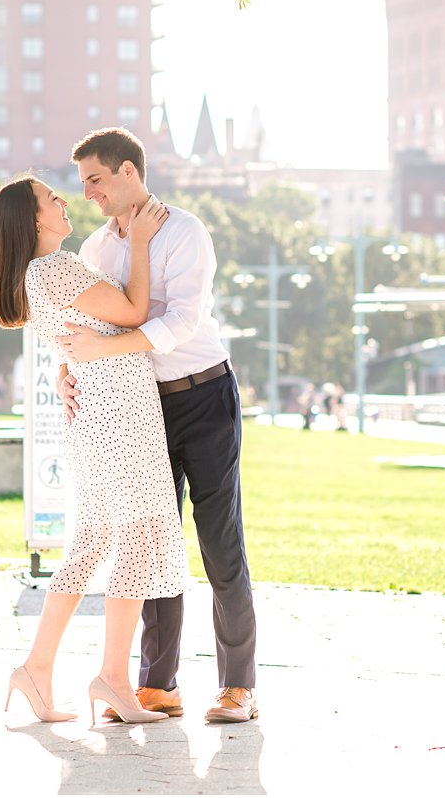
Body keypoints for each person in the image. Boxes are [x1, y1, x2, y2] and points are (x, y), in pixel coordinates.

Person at [55, 127, 260, 725]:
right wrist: (68, 369)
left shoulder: (186, 231)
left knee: (220, 542)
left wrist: (98, 352)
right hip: (140, 407)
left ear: (127, 172)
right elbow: (85, 323)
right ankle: (157, 685)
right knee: (151, 541)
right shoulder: (95, 248)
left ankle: (238, 687)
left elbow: (182, 320)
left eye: (94, 179)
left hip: (205, 395)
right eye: (83, 182)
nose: (88, 192)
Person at [0, 174, 186, 725]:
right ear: (33, 220)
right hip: (118, 412)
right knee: (138, 535)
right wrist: (142, 243)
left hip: (100, 411)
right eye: (53, 199)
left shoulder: (36, 274)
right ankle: (114, 678)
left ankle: (38, 668)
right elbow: (135, 311)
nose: (64, 201)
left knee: (95, 540)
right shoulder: (57, 266)